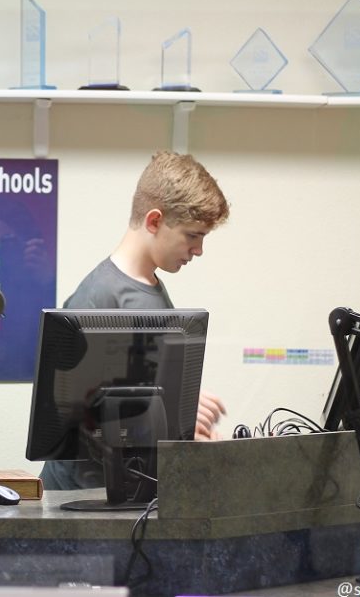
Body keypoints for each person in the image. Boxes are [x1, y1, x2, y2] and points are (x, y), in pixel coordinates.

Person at [40, 150, 230, 491]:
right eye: (192, 235)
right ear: (155, 221)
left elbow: (143, 385)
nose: (198, 250)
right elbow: (72, 416)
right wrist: (174, 410)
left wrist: (187, 429)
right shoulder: (96, 298)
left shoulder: (154, 291)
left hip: (125, 491)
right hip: (82, 502)